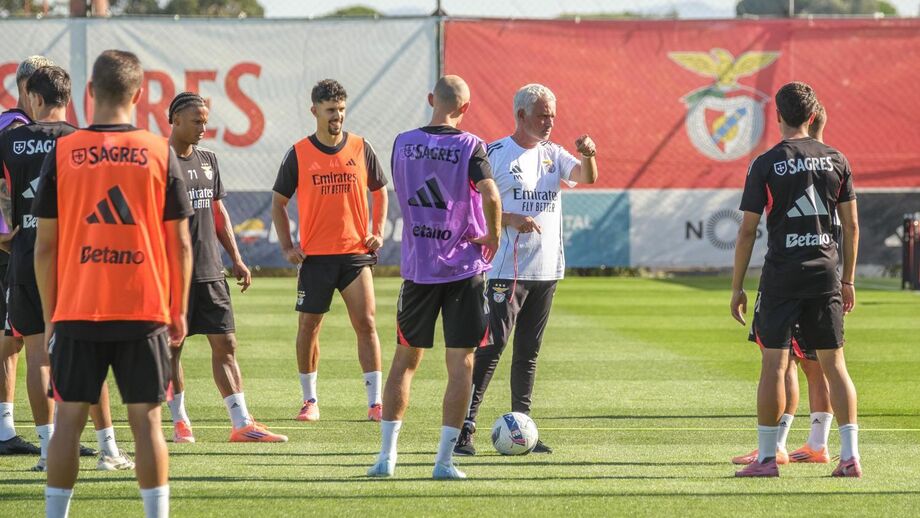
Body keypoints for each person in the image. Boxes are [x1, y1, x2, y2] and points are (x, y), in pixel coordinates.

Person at [35, 49, 193, 517]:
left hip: (78, 309)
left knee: (67, 423)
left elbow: (45, 247)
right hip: (143, 309)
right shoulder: (159, 151)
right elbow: (181, 244)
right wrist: (179, 310)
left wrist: (50, 319)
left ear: (89, 93)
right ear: (139, 95)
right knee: (146, 423)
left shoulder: (64, 151)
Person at [0, 65, 136, 472]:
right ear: (69, 98)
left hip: (27, 257)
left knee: (39, 354)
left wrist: (8, 234)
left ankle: (47, 450)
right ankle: (108, 448)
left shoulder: (8, 141)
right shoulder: (86, 142)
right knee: (89, 353)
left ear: (35, 99)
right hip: (82, 260)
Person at [367, 75, 501, 479]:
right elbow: (491, 195)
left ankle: (387, 458)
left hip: (418, 270)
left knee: (404, 362)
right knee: (461, 364)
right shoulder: (470, 145)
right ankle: (443, 462)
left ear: (431, 100)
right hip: (463, 270)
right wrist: (492, 234)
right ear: (465, 107)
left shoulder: (402, 142)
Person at [454, 83, 597, 456]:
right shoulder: (495, 152)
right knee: (493, 345)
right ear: (521, 116)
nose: (549, 122)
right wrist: (509, 218)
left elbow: (586, 176)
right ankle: (464, 429)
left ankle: (523, 428)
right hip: (506, 269)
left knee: (529, 351)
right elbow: (472, 205)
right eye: (542, 115)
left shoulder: (554, 153)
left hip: (547, 268)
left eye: (552, 115)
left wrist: (590, 154)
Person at [731, 82, 860, 478]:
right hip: (826, 273)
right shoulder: (836, 158)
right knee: (835, 364)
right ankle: (850, 458)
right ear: (812, 116)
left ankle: (768, 459)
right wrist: (848, 279)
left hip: (783, 275)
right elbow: (852, 225)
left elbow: (748, 231)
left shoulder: (766, 163)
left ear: (778, 117)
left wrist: (736, 286)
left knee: (774, 364)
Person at [164, 92, 286, 443]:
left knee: (227, 344)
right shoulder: (158, 160)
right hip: (172, 275)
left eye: (205, 120)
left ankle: (241, 423)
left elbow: (218, 212)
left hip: (210, 271)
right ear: (175, 120)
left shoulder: (208, 160)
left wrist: (236, 258)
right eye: (196, 121)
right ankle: (180, 421)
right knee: (172, 348)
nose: (204, 127)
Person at [271, 79, 387, 422]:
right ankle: (309, 401)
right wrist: (287, 246)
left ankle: (376, 403)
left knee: (366, 323)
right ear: (314, 111)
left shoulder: (361, 147)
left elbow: (380, 192)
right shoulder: (299, 153)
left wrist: (376, 231)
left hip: (354, 254)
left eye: (340, 110)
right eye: (330, 110)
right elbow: (278, 203)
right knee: (309, 326)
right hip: (316, 258)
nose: (336, 116)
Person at [0, 55, 53, 456]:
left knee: (14, 341)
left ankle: (6, 429)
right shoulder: (13, 128)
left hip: (21, 247)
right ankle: (6, 432)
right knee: (13, 340)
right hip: (15, 249)